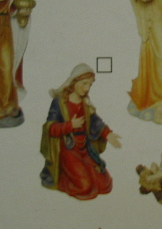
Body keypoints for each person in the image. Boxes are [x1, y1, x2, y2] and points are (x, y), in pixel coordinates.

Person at [40, 63, 122, 200]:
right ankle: (62, 178)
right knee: (85, 187)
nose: (87, 88)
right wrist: (70, 125)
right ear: (74, 82)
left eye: (90, 85)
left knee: (104, 184)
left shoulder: (85, 103)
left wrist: (108, 134)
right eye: (84, 83)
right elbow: (50, 128)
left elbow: (95, 121)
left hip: (85, 147)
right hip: (69, 149)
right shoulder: (59, 102)